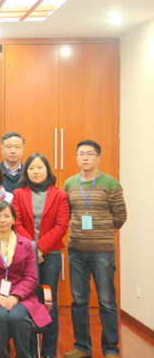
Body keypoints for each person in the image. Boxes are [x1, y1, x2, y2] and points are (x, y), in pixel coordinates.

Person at [63, 140, 127, 358]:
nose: (85, 158)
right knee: (78, 301)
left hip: (102, 252)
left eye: (90, 154)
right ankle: (82, 347)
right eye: (81, 153)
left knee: (106, 301)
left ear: (98, 157)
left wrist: (103, 233)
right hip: (76, 251)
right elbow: (67, 214)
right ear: (76, 157)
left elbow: (120, 216)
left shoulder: (110, 183)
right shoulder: (70, 183)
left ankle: (110, 349)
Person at [0, 201, 51, 358]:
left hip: (22, 296)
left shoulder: (26, 244)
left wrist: (16, 296)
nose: (2, 220)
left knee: (17, 317)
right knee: (0, 316)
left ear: (14, 220)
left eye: (6, 216)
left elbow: (31, 276)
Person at [13, 153, 70, 358]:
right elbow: (16, 223)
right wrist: (32, 248)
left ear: (47, 170)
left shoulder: (60, 195)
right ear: (26, 171)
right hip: (25, 254)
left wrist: (41, 248)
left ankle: (48, 352)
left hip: (51, 255)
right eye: (31, 168)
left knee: (49, 301)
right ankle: (29, 351)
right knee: (28, 300)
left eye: (40, 167)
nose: (36, 171)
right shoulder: (18, 194)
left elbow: (61, 226)